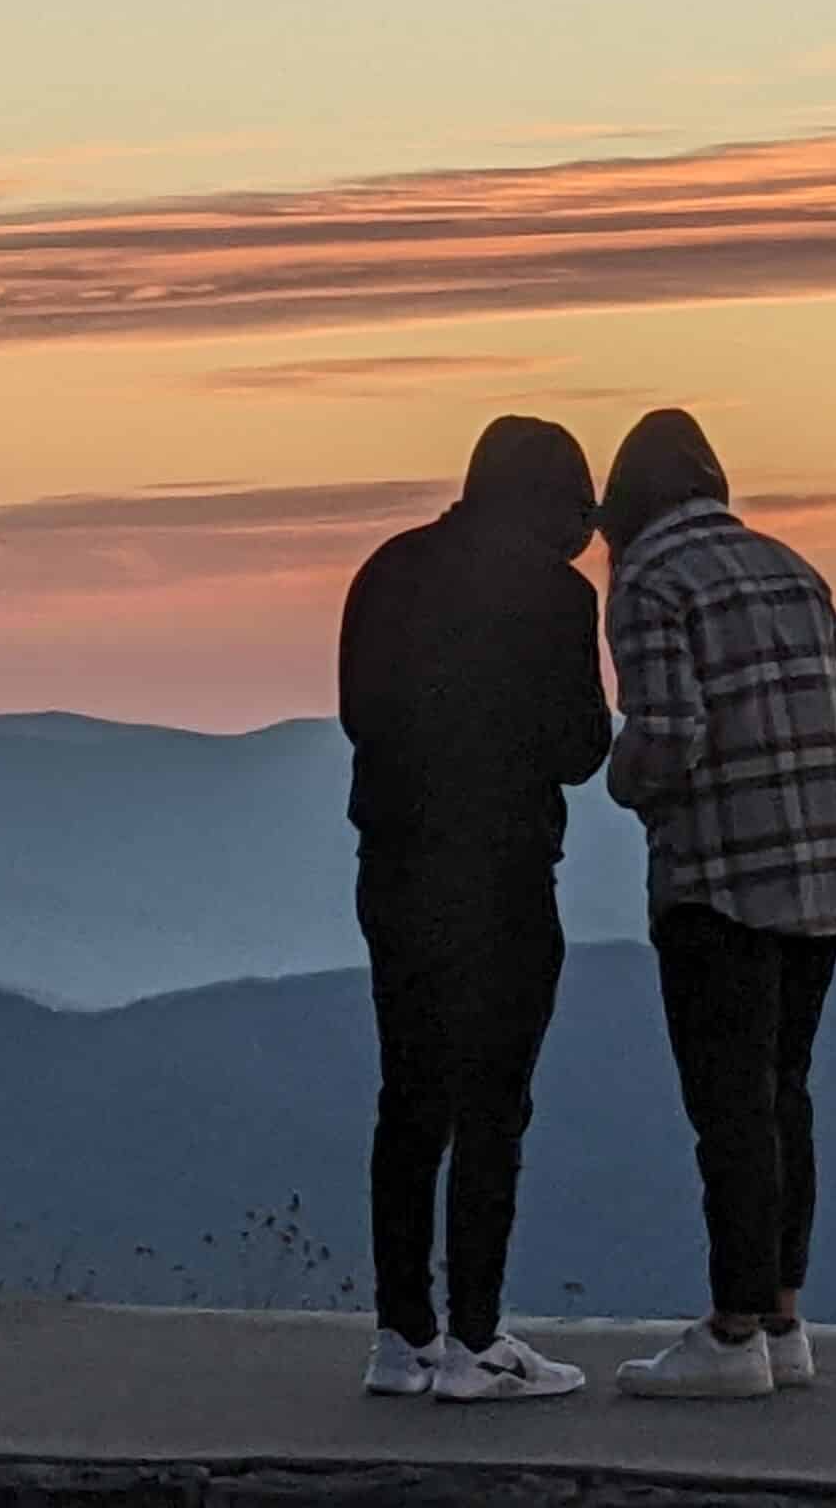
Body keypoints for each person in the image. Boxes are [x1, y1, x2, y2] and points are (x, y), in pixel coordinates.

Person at [597, 408, 836, 1400]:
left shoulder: (648, 582)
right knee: (782, 1093)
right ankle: (782, 1322)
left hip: (718, 881)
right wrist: (793, 774)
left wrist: (620, 780)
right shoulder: (788, 567)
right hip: (824, 874)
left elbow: (666, 734)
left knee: (727, 1109)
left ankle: (730, 1338)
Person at [338, 416, 612, 1403]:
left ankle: (398, 1335)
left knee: (409, 1100)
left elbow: (359, 717)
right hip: (502, 873)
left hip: (395, 868)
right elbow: (582, 749)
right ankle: (477, 1340)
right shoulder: (555, 595)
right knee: (493, 1108)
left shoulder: (387, 570)